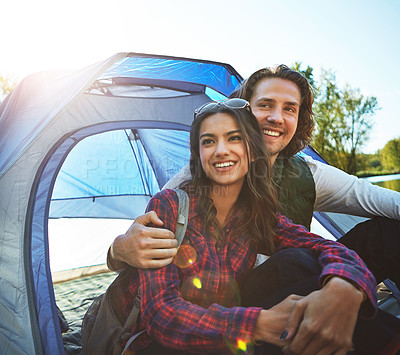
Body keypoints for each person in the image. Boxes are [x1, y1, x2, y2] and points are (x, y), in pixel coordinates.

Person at [122, 99, 380, 354]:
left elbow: (324, 246)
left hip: (230, 330)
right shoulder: (169, 205)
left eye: (233, 138)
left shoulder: (258, 215)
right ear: (198, 155)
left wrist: (346, 287)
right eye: (209, 141)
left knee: (299, 260)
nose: (221, 150)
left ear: (253, 151)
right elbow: (162, 315)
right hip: (166, 344)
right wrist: (260, 324)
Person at [108, 65, 400, 288]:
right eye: (265, 105)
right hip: (227, 305)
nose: (276, 117)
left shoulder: (308, 175)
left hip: (299, 286)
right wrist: (118, 249)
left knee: (389, 235)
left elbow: (377, 199)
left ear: (299, 121)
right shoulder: (198, 175)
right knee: (291, 260)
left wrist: (340, 273)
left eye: (289, 109)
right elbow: (139, 242)